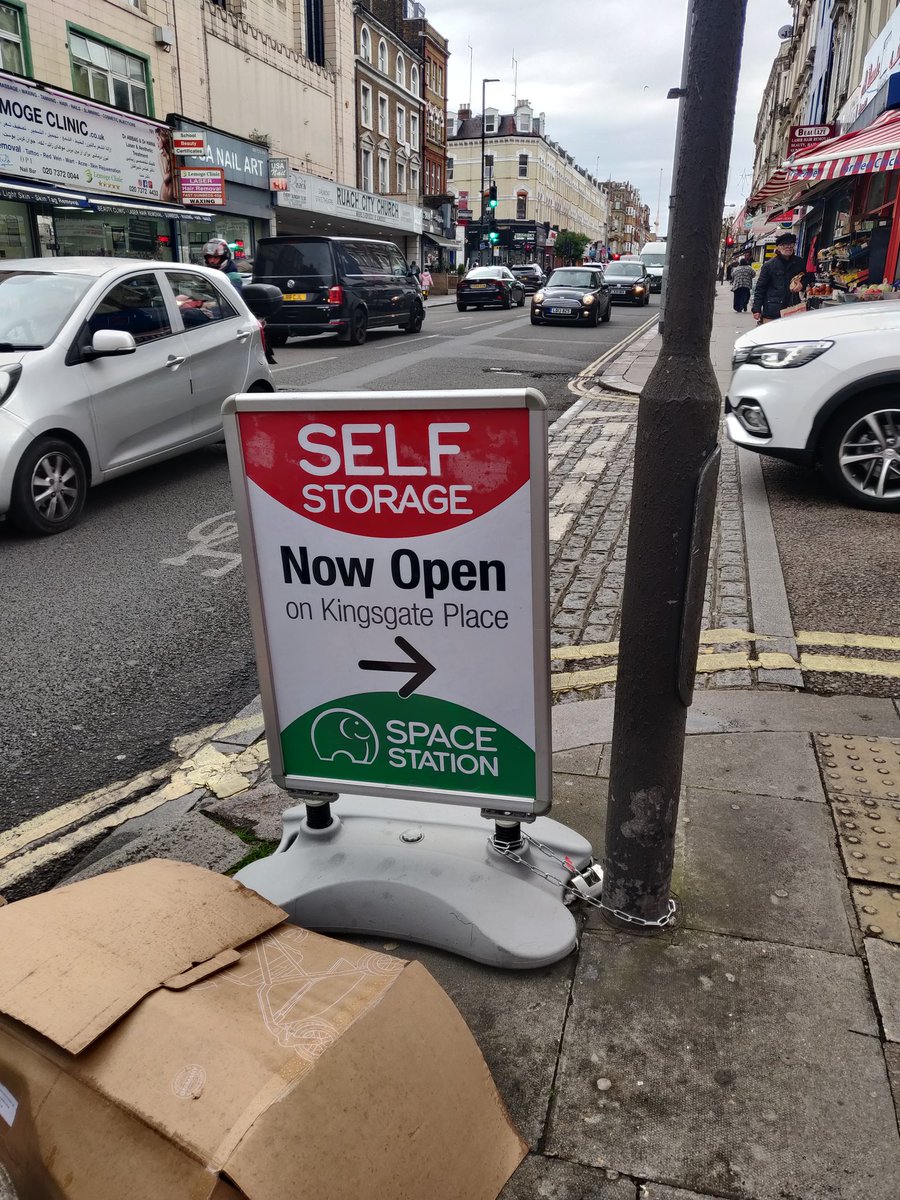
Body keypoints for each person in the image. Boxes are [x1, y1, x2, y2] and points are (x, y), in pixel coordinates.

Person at [202, 237, 277, 364]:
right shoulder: (205, 275)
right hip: (211, 314)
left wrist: (207, 305)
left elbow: (233, 298)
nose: (212, 261)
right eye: (209, 258)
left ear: (224, 258)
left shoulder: (232, 277)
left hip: (222, 316)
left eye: (215, 258)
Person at [751, 233, 815, 323]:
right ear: (778, 247)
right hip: (773, 309)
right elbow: (760, 288)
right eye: (784, 244)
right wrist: (756, 309)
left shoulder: (800, 262)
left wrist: (802, 284)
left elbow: (809, 276)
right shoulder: (769, 265)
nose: (788, 247)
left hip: (793, 306)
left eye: (791, 244)